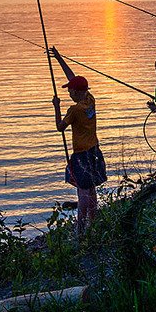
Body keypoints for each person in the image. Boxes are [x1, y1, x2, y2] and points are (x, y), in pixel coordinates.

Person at [50, 47, 107, 236]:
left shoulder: (74, 110)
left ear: (75, 92)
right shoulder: (91, 100)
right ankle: (93, 221)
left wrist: (56, 107)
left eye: (70, 90)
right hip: (94, 151)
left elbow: (59, 127)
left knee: (82, 190)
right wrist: (59, 58)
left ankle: (80, 227)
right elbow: (74, 78)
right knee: (91, 188)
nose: (68, 93)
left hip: (81, 154)